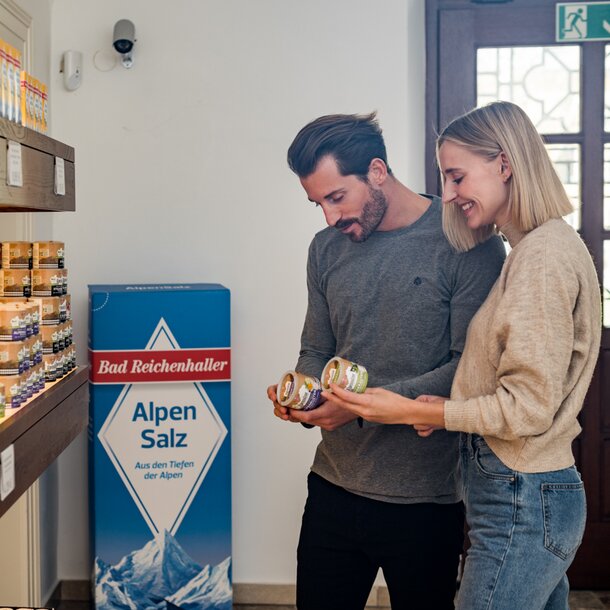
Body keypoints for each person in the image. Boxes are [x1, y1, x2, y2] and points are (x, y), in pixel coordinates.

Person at [323, 101, 601, 610]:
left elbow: (527, 408)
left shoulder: (541, 257)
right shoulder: (539, 249)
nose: (448, 194)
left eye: (456, 176)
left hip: (523, 498)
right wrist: (442, 409)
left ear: (504, 164)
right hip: (522, 496)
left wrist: (419, 410)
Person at [267, 112, 506, 610]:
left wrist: (355, 407)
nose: (331, 218)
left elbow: (469, 368)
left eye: (337, 197)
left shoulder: (468, 242)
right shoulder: (325, 249)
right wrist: (302, 395)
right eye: (318, 203)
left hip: (425, 499)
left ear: (377, 171)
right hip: (332, 486)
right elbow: (317, 348)